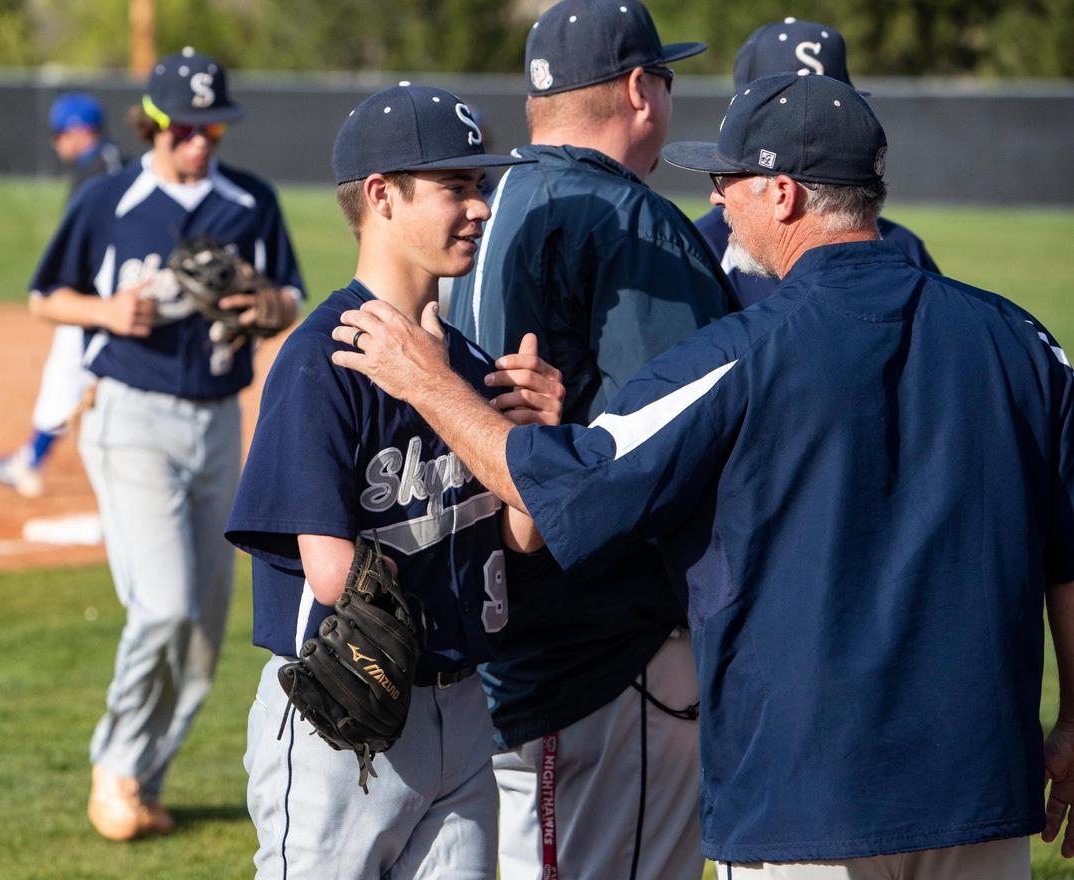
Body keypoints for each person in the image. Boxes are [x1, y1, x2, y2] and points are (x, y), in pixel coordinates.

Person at [329, 73, 1074, 878]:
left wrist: (426, 381)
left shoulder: (744, 353)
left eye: (729, 180)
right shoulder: (1022, 341)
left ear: (783, 194)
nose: (717, 200)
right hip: (979, 781)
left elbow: (567, 484)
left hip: (806, 795)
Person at [224, 83, 562, 879]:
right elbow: (331, 571)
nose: (479, 206)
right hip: (348, 716)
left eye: (480, 185)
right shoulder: (323, 361)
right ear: (381, 194)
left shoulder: (474, 369)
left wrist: (537, 445)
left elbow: (518, 538)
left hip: (464, 714)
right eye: (455, 185)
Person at [446, 1, 732, 876]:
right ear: (639, 90)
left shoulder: (484, 209)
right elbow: (686, 444)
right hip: (608, 652)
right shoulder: (628, 221)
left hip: (507, 631)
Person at [27, 48, 305, 841]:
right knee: (163, 603)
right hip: (132, 417)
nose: (200, 142)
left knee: (205, 630)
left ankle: (142, 780)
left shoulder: (249, 199)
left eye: (212, 127)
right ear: (154, 123)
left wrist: (264, 306)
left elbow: (288, 295)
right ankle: (114, 765)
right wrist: (108, 313)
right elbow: (46, 298)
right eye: (185, 128)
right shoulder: (110, 199)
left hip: (219, 421)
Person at [694, 17, 939, 308]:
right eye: (782, 112)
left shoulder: (901, 246)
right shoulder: (703, 247)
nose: (808, 128)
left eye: (830, 110)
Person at [0, 92, 127, 497]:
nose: (56, 142)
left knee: (65, 378)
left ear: (80, 131)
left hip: (95, 300)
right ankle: (32, 460)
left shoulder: (95, 172)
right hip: (115, 296)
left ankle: (28, 465)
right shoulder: (117, 162)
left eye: (60, 133)